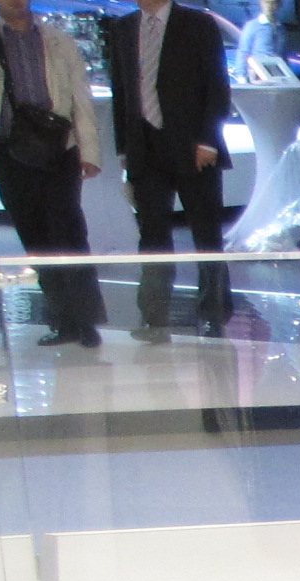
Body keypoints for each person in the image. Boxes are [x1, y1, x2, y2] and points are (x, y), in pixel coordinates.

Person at [0, 0, 106, 347]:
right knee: (35, 239)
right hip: (9, 152)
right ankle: (64, 320)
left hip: (58, 148)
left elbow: (81, 97)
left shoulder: (58, 40)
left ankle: (86, 321)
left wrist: (90, 151)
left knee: (69, 233)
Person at [104, 0, 234, 341]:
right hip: (144, 148)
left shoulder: (197, 24)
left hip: (193, 146)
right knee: (152, 235)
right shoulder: (122, 28)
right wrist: (124, 149)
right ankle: (154, 317)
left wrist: (209, 140)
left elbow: (217, 83)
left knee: (206, 234)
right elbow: (121, 92)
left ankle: (213, 314)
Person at [235, 0, 286, 79]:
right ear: (261, 3)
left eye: (272, 3)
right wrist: (241, 75)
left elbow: (282, 54)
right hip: (258, 74)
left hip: (277, 75)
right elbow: (243, 51)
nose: (269, 6)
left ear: (278, 5)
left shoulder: (281, 28)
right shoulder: (252, 26)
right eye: (266, 2)